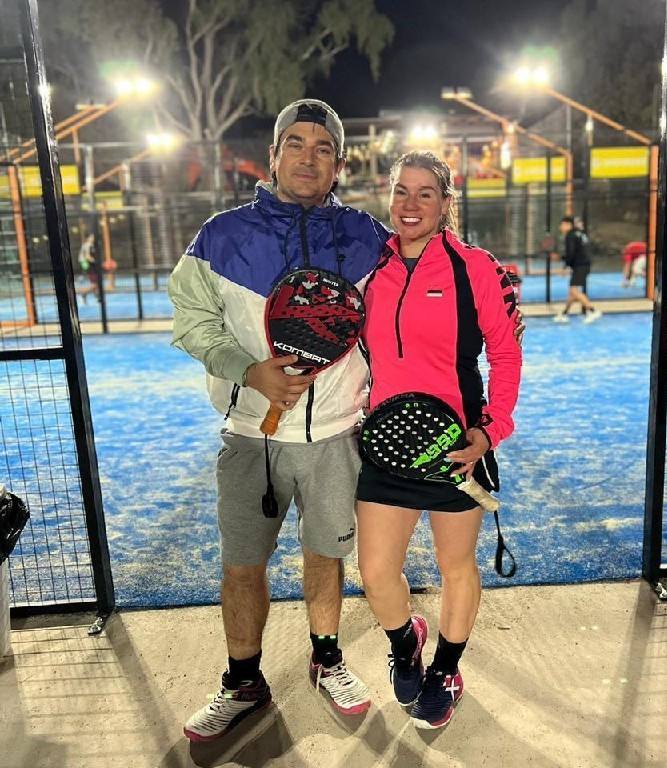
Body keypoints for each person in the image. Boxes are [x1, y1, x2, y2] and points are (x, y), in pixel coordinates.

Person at [168, 99, 390, 742]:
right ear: (272, 155)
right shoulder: (221, 235)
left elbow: (418, 300)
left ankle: (327, 660)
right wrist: (248, 370)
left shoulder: (368, 238)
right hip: (250, 438)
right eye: (295, 143)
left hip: (337, 435)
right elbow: (193, 321)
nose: (308, 157)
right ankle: (243, 680)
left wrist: (493, 303)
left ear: (339, 164)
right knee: (242, 564)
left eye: (323, 148)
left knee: (326, 556)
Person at [355, 150, 523, 730]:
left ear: (446, 203)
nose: (411, 204)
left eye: (425, 193)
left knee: (456, 565)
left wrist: (491, 429)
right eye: (401, 191)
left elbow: (505, 354)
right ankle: (406, 642)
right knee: (376, 573)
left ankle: (447, 669)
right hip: (389, 447)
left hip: (457, 449)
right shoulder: (372, 267)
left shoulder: (474, 267)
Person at [552, 215, 602, 323]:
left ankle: (592, 310)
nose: (561, 227)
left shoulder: (570, 236)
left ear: (568, 225)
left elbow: (571, 253)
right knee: (572, 292)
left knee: (574, 291)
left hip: (581, 265)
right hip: (584, 264)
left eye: (562, 225)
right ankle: (564, 314)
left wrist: (564, 265)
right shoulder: (580, 233)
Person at [77, 233, 99, 304]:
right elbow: (87, 257)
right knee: (94, 284)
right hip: (86, 264)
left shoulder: (92, 245)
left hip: (91, 265)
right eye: (91, 237)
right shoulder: (86, 245)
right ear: (87, 238)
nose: (93, 238)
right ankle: (83, 294)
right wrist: (95, 261)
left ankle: (97, 298)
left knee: (96, 284)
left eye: (93, 236)